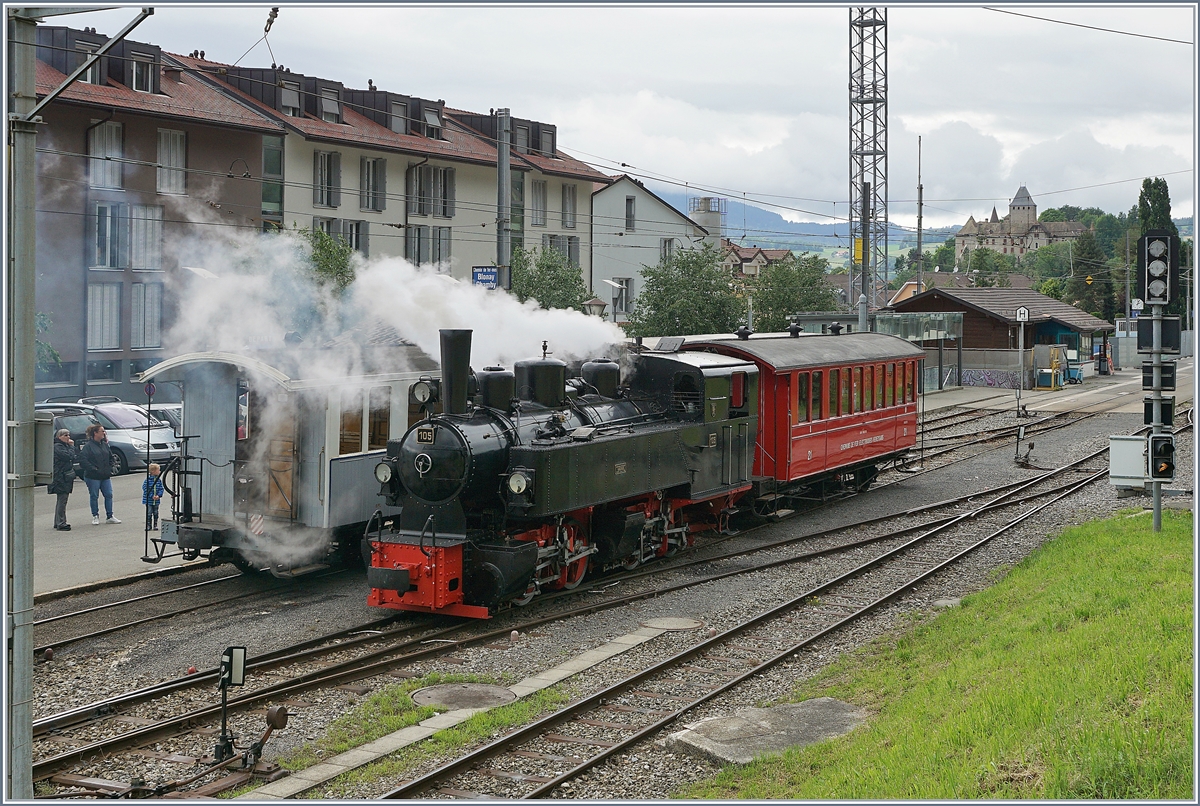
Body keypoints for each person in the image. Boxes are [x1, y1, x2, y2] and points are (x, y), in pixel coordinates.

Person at [79, 423, 120, 525]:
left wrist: (111, 466)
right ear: (95, 433)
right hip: (93, 476)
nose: (104, 433)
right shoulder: (88, 447)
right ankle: (95, 515)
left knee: (109, 494)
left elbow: (111, 457)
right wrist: (93, 469)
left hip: (105, 475)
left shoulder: (105, 445)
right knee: (94, 495)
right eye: (102, 431)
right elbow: (83, 460)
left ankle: (110, 516)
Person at [48, 428, 75, 531]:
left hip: (64, 476)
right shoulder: (58, 447)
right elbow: (69, 456)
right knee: (62, 500)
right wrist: (72, 447)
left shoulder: (64, 446)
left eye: (68, 435)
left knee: (62, 499)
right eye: (65, 435)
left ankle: (57, 521)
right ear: (59, 437)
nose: (68, 437)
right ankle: (61, 523)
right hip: (60, 477)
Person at [142, 463, 164, 531]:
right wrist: (151, 496)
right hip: (149, 500)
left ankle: (155, 524)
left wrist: (159, 495)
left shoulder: (158, 480)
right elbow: (145, 489)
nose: (159, 472)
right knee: (149, 512)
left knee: (156, 512)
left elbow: (161, 488)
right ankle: (148, 525)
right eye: (158, 470)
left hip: (156, 500)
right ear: (153, 471)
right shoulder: (147, 481)